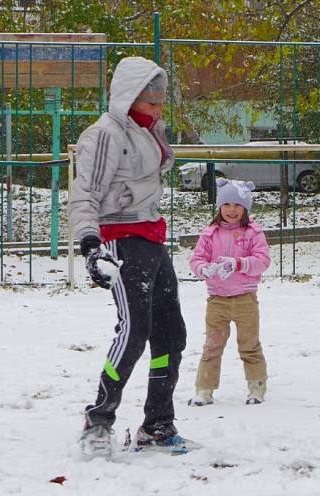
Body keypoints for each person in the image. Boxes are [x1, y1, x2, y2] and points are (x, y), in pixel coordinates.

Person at [68, 56, 191, 456]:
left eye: (160, 101)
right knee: (135, 330)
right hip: (121, 237)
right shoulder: (104, 134)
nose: (159, 108)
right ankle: (98, 419)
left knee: (171, 334)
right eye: (151, 102)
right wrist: (90, 243)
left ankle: (158, 424)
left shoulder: (147, 130)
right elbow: (83, 193)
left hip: (151, 234)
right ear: (129, 97)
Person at [188, 178, 271, 406]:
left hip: (245, 299)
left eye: (237, 205)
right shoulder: (210, 234)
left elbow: (263, 260)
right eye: (226, 205)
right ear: (219, 207)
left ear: (245, 208)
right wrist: (203, 268)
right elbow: (196, 258)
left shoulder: (252, 232)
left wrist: (237, 263)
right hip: (217, 301)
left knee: (249, 344)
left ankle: (257, 387)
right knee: (212, 346)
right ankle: (203, 389)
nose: (231, 210)